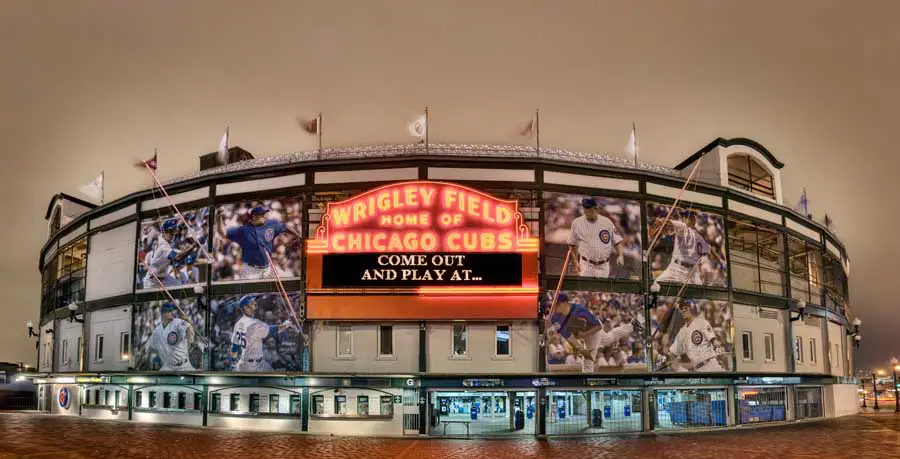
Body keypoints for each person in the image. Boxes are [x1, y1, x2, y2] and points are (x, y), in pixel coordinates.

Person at [548, 293, 643, 372]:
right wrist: (580, 348)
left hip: (593, 331)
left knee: (587, 363)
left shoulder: (579, 310)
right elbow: (568, 336)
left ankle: (588, 388)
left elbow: (598, 326)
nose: (554, 307)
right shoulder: (555, 317)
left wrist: (584, 335)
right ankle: (632, 325)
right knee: (609, 338)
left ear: (564, 303)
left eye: (557, 304)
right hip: (584, 333)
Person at [216, 206, 302, 280]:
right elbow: (222, 232)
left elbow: (286, 227)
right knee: (249, 295)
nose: (264, 216)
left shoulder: (272, 224)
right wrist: (219, 217)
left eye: (264, 214)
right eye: (261, 215)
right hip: (251, 270)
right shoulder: (243, 231)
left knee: (286, 281)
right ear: (254, 217)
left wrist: (299, 236)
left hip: (267, 268)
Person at [649, 210, 721, 284]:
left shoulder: (693, 232)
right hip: (681, 270)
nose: (686, 218)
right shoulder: (689, 230)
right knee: (655, 287)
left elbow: (711, 254)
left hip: (687, 272)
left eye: (688, 216)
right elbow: (668, 225)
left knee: (655, 287)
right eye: (685, 216)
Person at [229, 295, 294, 372]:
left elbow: (234, 347)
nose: (255, 303)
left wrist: (233, 364)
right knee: (273, 380)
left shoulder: (238, 323)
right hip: (253, 365)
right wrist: (286, 324)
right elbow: (273, 330)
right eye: (252, 302)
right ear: (246, 308)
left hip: (244, 362)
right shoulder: (254, 324)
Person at [567, 198, 625, 278]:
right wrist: (576, 262)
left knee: (602, 289)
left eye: (590, 211)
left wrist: (620, 255)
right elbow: (571, 244)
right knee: (585, 290)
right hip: (586, 265)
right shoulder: (577, 223)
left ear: (596, 209)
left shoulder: (607, 222)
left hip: (603, 267)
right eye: (585, 211)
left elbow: (617, 242)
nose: (587, 214)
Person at [667, 300, 726, 372]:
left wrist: (718, 349)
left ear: (692, 309)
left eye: (686, 308)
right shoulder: (681, 332)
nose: (683, 310)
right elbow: (672, 352)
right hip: (697, 370)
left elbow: (714, 341)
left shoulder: (701, 323)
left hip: (710, 365)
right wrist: (676, 365)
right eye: (682, 309)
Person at [143, 219, 199, 288]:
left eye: (173, 231)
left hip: (163, 277)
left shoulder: (163, 238)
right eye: (170, 231)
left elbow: (176, 252)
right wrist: (192, 247)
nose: (173, 234)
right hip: (152, 281)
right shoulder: (163, 245)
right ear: (164, 232)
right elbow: (177, 258)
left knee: (178, 285)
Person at [146, 302, 196, 371]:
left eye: (171, 311)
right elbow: (147, 347)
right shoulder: (157, 330)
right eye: (169, 311)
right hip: (168, 366)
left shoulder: (177, 322)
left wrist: (191, 342)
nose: (171, 313)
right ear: (163, 313)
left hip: (184, 366)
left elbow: (189, 328)